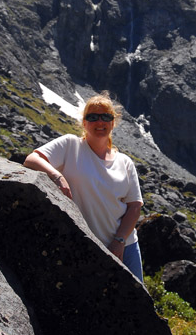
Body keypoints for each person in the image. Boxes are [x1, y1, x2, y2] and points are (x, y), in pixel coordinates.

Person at [23, 91, 144, 281]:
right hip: (86, 245)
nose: (100, 122)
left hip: (125, 247)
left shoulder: (125, 162)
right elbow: (32, 159)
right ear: (84, 122)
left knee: (137, 307)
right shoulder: (70, 145)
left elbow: (135, 206)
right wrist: (57, 176)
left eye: (106, 117)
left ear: (113, 122)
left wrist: (119, 241)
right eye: (93, 117)